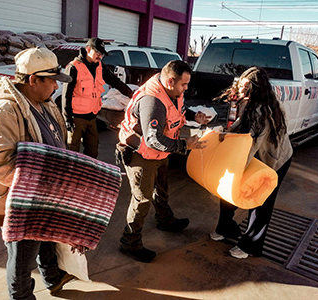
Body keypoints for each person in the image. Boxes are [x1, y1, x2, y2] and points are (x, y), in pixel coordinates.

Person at [0, 47, 75, 299]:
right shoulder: (4, 111)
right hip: (21, 201)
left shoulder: (44, 104)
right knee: (22, 258)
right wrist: (37, 186)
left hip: (43, 195)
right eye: (52, 81)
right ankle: (21, 296)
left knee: (46, 239)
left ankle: (52, 277)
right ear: (32, 80)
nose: (55, 87)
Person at [117, 60, 212, 263]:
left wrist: (196, 116)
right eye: (183, 85)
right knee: (142, 199)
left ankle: (165, 220)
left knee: (162, 188)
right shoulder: (152, 101)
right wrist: (185, 145)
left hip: (160, 153)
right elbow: (153, 139)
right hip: (142, 154)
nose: (186, 88)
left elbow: (179, 108)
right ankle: (129, 242)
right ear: (170, 81)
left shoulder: (171, 91)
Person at [210, 66, 293, 259]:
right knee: (227, 194)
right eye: (240, 84)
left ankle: (251, 246)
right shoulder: (246, 102)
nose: (240, 89)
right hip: (256, 156)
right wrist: (223, 134)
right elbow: (239, 124)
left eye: (245, 86)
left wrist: (235, 170)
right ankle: (226, 229)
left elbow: (253, 144)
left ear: (256, 88)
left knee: (261, 202)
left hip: (274, 161)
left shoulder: (263, 112)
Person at [62, 37, 133, 158]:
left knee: (92, 151)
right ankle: (71, 175)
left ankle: (87, 174)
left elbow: (114, 81)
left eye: (102, 54)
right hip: (76, 119)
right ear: (88, 49)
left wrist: (132, 94)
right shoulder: (74, 67)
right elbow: (66, 94)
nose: (100, 56)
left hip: (92, 118)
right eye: (98, 53)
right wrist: (67, 118)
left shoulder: (100, 66)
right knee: (72, 153)